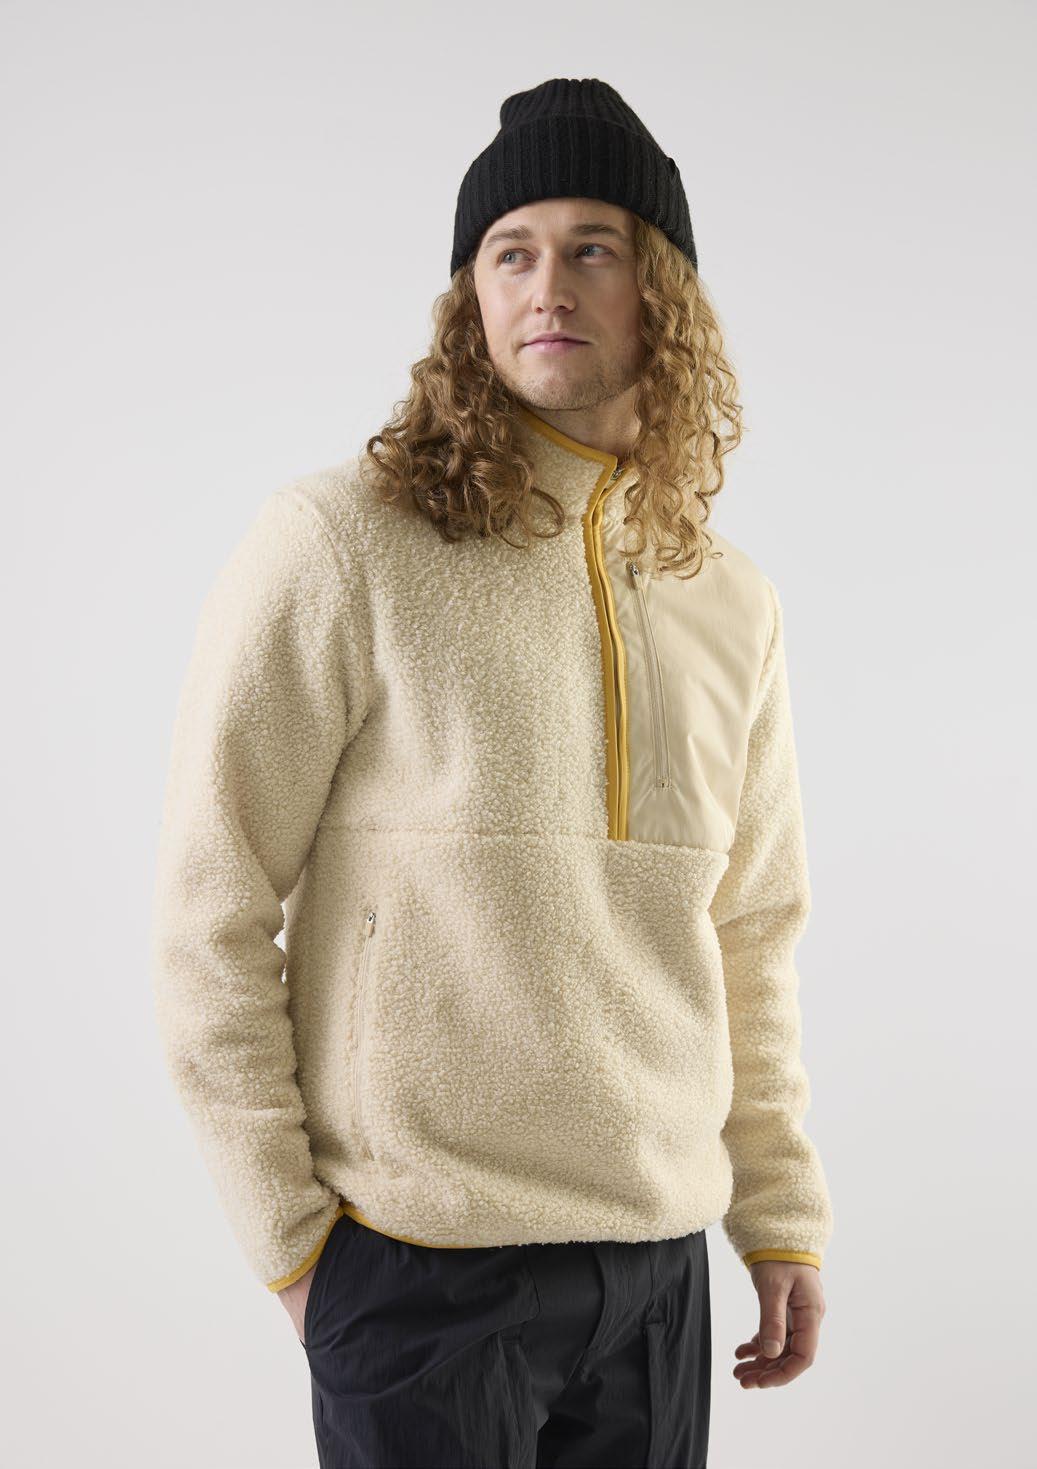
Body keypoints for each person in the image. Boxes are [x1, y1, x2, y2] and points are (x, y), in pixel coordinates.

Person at [151, 75, 832, 1469]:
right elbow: (208, 909)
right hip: (418, 1266)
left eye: (592, 247)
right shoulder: (342, 543)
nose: (548, 286)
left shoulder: (728, 600)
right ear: (469, 296)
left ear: (661, 291)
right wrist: (295, 1247)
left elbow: (749, 932)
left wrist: (777, 1214)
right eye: (510, 252)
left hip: (656, 1269)